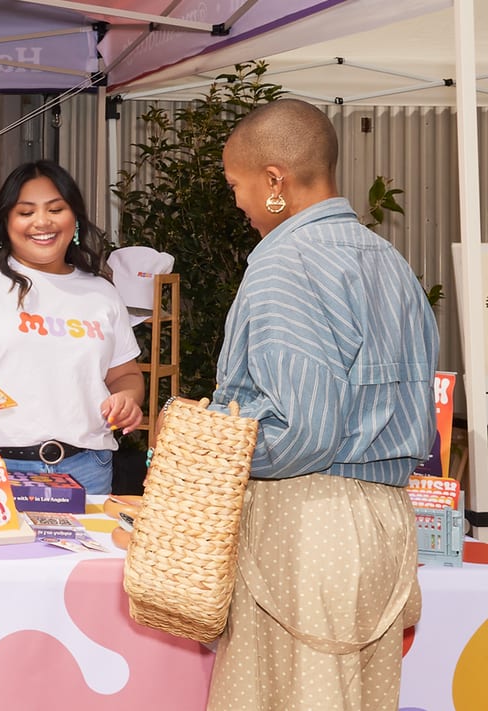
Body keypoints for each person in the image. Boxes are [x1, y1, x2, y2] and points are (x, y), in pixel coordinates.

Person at [204, 98, 439, 710]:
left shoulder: (285, 262)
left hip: (306, 520)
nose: (238, 202)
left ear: (274, 180)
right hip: (386, 520)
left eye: (237, 185)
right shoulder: (390, 262)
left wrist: (216, 451)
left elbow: (303, 430)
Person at [0, 159, 144, 495]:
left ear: (74, 216)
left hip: (87, 469)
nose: (42, 222)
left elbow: (126, 375)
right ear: (6, 220)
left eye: (55, 209)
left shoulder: (102, 293)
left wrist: (127, 399)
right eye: (25, 212)